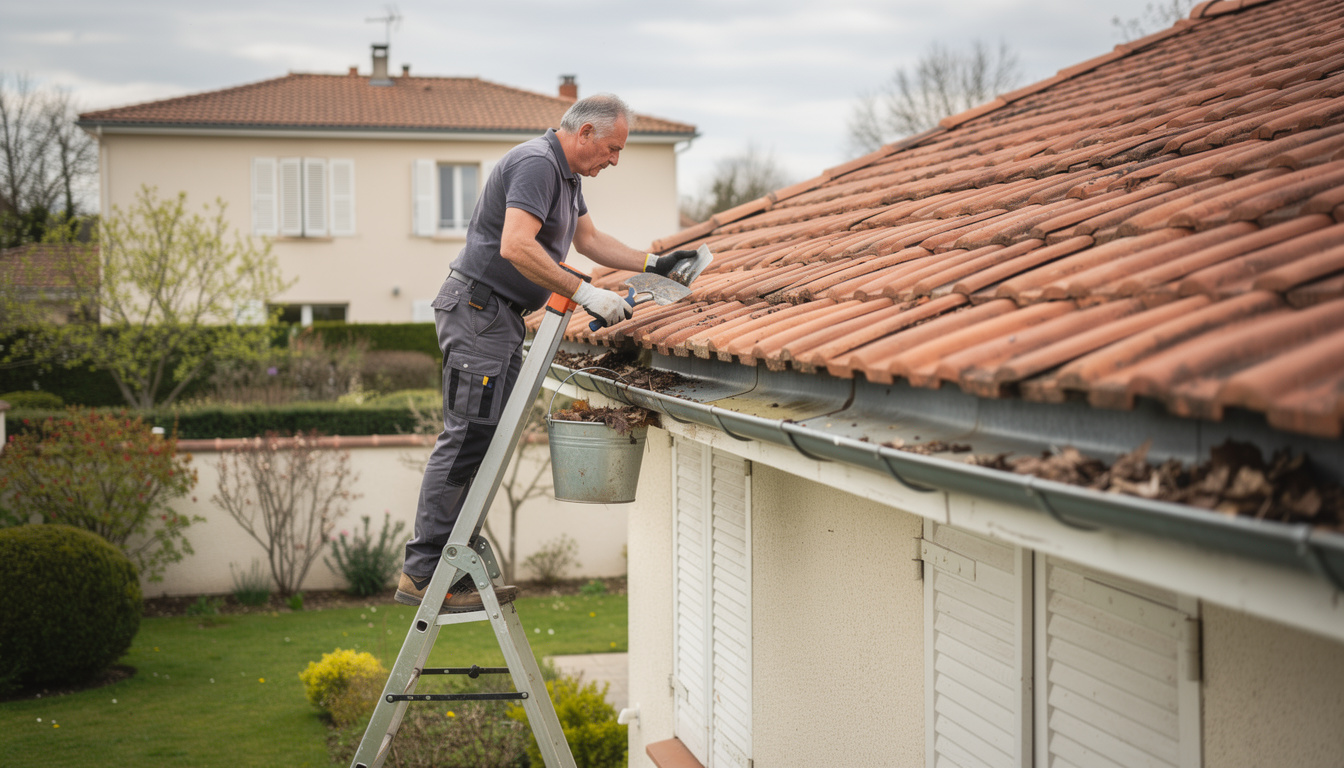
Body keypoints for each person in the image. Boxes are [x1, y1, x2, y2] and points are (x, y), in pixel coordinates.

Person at [398, 94, 698, 612]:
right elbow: (516, 245)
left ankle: (449, 560)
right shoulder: (537, 164)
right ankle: (423, 573)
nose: (615, 160)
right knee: (469, 435)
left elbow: (590, 239)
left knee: (488, 438)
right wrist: (586, 293)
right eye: (611, 148)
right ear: (583, 133)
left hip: (497, 317)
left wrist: (657, 263)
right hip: (478, 311)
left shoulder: (568, 177)